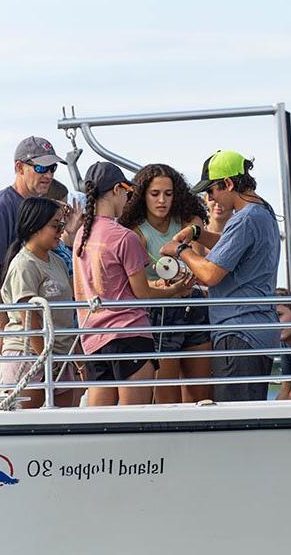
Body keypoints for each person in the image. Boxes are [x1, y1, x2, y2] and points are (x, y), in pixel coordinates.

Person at [161, 150, 280, 402]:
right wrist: (197, 233)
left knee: (237, 423)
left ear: (228, 183)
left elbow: (210, 275)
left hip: (238, 334)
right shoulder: (263, 211)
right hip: (259, 332)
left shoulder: (245, 219)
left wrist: (181, 251)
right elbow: (231, 245)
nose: (209, 198)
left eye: (212, 190)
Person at [73, 162, 193, 406]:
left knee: (100, 424)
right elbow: (143, 294)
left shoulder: (81, 235)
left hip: (94, 338)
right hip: (130, 335)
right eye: (128, 191)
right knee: (136, 418)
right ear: (118, 189)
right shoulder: (123, 236)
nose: (129, 197)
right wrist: (176, 290)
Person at [118, 163, 212, 404]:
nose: (162, 200)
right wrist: (162, 285)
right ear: (142, 196)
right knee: (166, 396)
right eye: (155, 194)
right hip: (159, 313)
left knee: (202, 396)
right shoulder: (133, 233)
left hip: (193, 306)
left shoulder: (189, 223)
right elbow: (137, 284)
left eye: (168, 194)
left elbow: (198, 265)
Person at [0, 136, 65, 357]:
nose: (49, 175)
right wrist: (1, 326)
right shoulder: (1, 207)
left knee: (51, 389)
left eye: (52, 168)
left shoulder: (44, 208)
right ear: (19, 167)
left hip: (36, 315)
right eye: (42, 167)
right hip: (10, 316)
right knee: (17, 391)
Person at [0, 198, 79, 408]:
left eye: (61, 225)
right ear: (35, 226)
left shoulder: (58, 261)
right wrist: (47, 359)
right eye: (55, 225)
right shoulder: (24, 265)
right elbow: (28, 318)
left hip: (59, 354)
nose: (61, 230)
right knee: (24, 419)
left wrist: (76, 357)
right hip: (31, 355)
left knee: (65, 421)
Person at [45, 179, 83, 279]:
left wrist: (72, 233)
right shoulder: (48, 245)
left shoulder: (60, 244)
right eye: (64, 207)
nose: (66, 213)